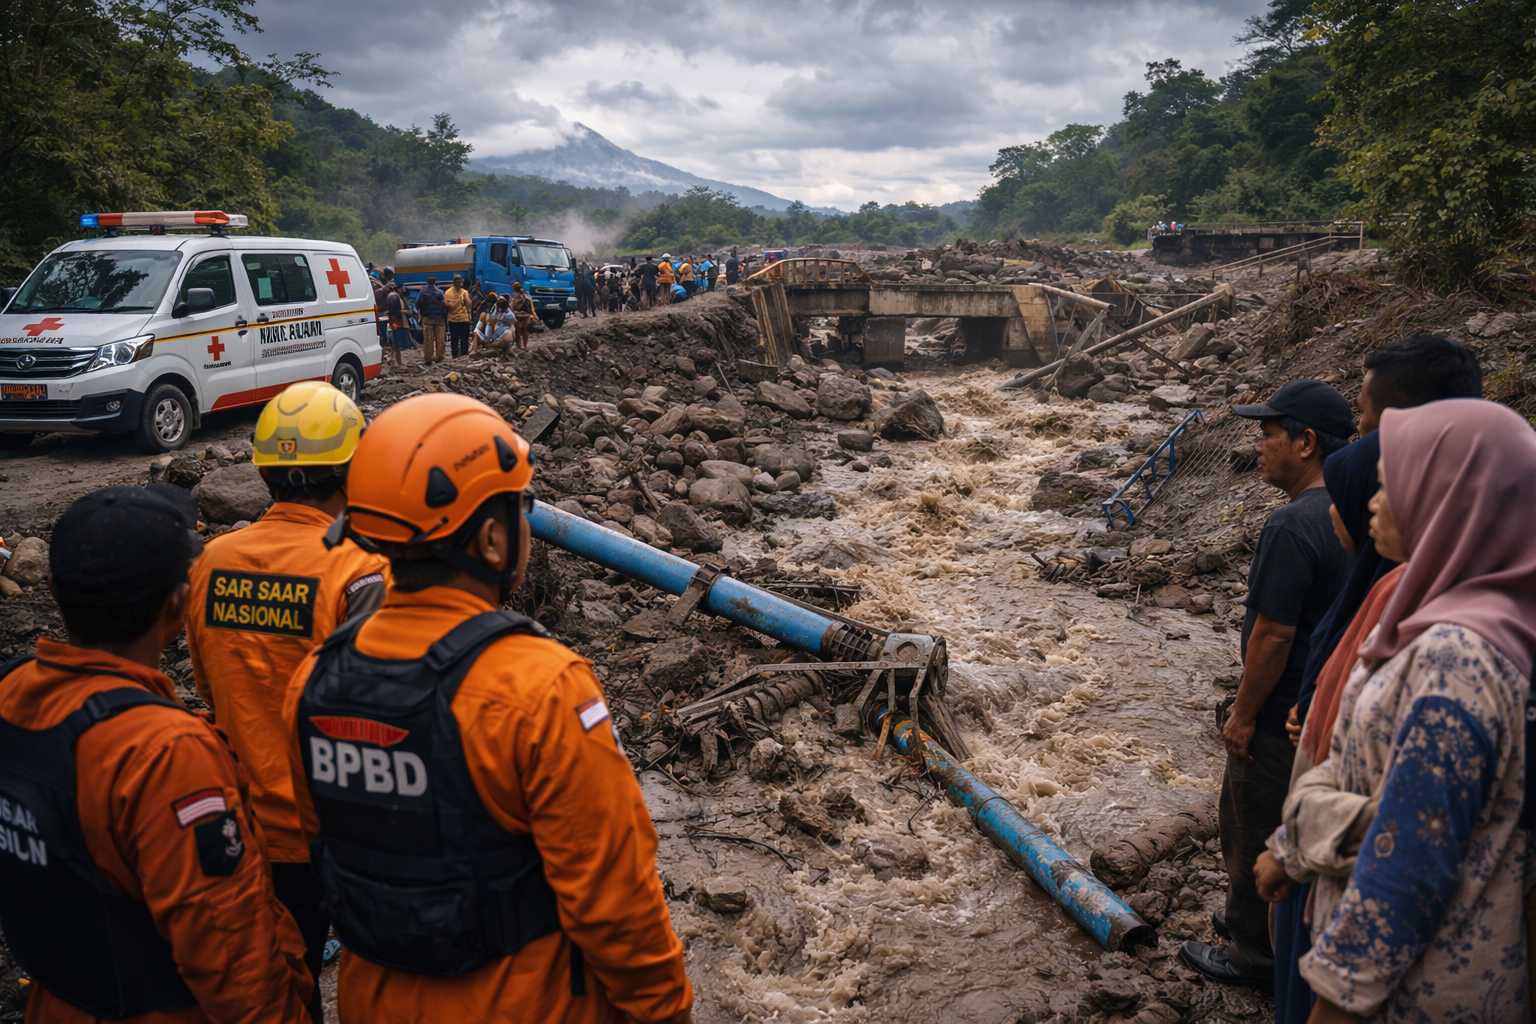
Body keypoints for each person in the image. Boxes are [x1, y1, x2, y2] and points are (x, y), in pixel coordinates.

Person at [282, 394, 694, 1024]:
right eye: (521, 507)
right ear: (494, 538)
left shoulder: (314, 679)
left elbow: (328, 843)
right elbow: (613, 897)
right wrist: (665, 1010)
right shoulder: (542, 686)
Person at [1258, 399, 1536, 1023]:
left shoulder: (1457, 658)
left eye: (1392, 486)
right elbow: (1363, 759)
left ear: (1450, 501)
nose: (1373, 502)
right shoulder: (1432, 614)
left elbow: (1412, 856)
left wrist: (1336, 1002)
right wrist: (1292, 844)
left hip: (1415, 990)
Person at [0, 485, 313, 1021]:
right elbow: (229, 954)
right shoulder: (166, 754)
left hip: (59, 1000)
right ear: (176, 604)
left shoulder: (14, 694)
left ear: (56, 588)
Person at [183, 382, 389, 1020]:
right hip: (339, 827)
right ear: (353, 471)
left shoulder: (212, 560)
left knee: (280, 981)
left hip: (244, 823)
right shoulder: (362, 569)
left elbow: (209, 685)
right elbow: (381, 709)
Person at [1179, 379, 1354, 988]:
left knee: (1252, 820)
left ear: (1304, 443)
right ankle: (1282, 930)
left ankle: (1252, 954)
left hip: (1282, 707)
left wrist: (1243, 714)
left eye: (1268, 434)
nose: (1258, 445)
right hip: (1327, 705)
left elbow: (1274, 635)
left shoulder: (1291, 525)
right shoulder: (1358, 511)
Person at [415, 276, 448, 366]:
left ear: (427, 282)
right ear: (435, 282)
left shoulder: (423, 292)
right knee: (440, 339)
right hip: (439, 319)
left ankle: (428, 358)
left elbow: (417, 304)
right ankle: (439, 357)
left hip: (427, 318)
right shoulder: (440, 292)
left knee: (428, 340)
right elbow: (444, 305)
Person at [445, 275, 474, 359]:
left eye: (460, 282)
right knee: (455, 339)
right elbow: (448, 305)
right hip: (454, 320)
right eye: (458, 282)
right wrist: (458, 301)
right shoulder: (448, 292)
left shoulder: (464, 292)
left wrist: (466, 300)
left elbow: (469, 305)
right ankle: (456, 355)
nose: (460, 283)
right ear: (454, 282)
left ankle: (463, 355)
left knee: (463, 339)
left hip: (463, 319)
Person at [383, 282, 409, 370]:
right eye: (403, 288)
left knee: (395, 344)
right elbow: (394, 311)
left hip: (395, 322)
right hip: (396, 322)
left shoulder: (395, 296)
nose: (404, 289)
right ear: (399, 288)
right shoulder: (394, 297)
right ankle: (396, 362)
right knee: (396, 343)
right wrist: (394, 323)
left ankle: (394, 360)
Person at [510, 282, 535, 350]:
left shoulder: (514, 295)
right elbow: (531, 305)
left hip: (517, 315)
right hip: (526, 315)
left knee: (517, 331)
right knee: (525, 330)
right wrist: (534, 314)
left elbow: (512, 306)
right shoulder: (526, 294)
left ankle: (519, 346)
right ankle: (525, 346)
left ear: (514, 288)